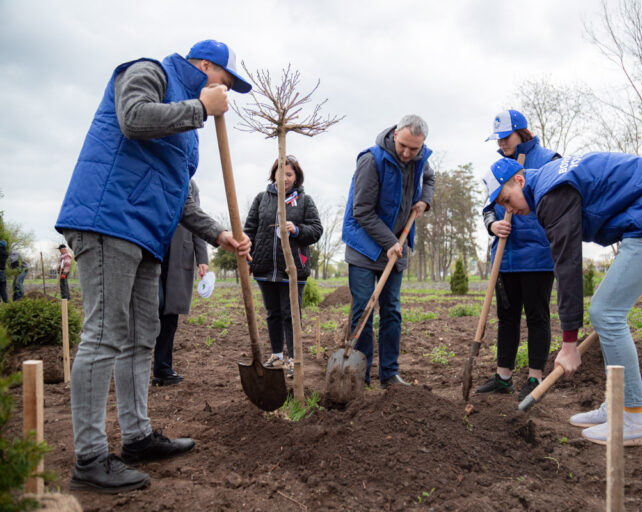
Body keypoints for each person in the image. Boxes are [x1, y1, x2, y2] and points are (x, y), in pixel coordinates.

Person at [55, 39, 253, 493]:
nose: (226, 94)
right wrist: (201, 108)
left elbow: (181, 197)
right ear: (205, 67)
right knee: (104, 333)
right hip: (109, 218)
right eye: (225, 82)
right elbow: (133, 119)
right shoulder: (150, 73)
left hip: (147, 234)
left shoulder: (188, 132)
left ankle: (138, 436)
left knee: (141, 338)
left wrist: (218, 234)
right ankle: (88, 458)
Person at [484, 152, 642, 446]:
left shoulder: (551, 195)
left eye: (507, 200)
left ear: (520, 181)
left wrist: (569, 343)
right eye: (501, 206)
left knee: (607, 311)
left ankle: (634, 417)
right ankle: (618, 404)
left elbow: (568, 265)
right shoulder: (551, 179)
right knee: (607, 310)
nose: (510, 209)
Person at [342, 115, 435, 388]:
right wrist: (388, 242)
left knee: (391, 310)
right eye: (403, 145)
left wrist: (424, 201)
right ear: (395, 134)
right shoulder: (371, 160)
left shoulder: (420, 159)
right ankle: (361, 375)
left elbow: (428, 178)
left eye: (413, 149)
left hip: (397, 245)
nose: (406, 153)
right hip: (364, 247)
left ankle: (389, 374)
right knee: (363, 310)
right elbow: (362, 211)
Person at [475, 110, 559, 400]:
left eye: (506, 137)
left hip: (538, 254)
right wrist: (492, 224)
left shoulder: (549, 160)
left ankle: (536, 379)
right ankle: (503, 377)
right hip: (506, 256)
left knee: (537, 316)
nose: (501, 144)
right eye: (497, 139)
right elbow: (487, 207)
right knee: (507, 317)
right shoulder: (498, 166)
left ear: (523, 132)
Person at [243, 156, 323, 378]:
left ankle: (294, 361)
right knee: (273, 313)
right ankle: (277, 355)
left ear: (296, 177)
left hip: (294, 267)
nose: (284, 178)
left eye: (289, 174)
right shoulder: (261, 199)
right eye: (281, 173)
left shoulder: (305, 201)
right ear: (274, 174)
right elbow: (249, 229)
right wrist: (248, 253)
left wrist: (296, 229)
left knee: (291, 314)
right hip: (265, 267)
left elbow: (316, 230)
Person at [153, 179, 209, 386]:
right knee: (153, 305)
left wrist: (202, 258)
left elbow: (197, 221)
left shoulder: (191, 185)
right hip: (152, 250)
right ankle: (136, 366)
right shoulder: (156, 172)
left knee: (169, 315)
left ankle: (163, 369)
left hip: (179, 256)